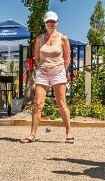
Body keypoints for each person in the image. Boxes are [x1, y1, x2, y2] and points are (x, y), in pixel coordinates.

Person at [21, 11, 73, 144]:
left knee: (61, 103)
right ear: (45, 23)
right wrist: (41, 67)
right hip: (43, 74)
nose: (50, 24)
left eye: (53, 21)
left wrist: (61, 70)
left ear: (57, 23)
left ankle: (69, 133)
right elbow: (36, 57)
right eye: (48, 21)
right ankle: (32, 135)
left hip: (58, 74)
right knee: (38, 104)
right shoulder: (40, 39)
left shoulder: (63, 38)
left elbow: (67, 59)